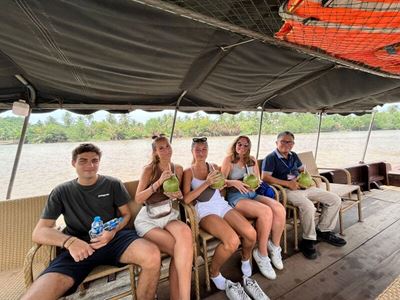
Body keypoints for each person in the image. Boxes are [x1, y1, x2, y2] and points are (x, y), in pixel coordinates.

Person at [22, 143, 160, 300]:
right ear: (73, 163)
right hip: (78, 247)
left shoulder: (113, 184)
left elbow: (126, 215)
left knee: (152, 256)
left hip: (115, 239)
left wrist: (113, 231)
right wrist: (70, 242)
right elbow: (40, 232)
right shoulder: (61, 191)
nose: (90, 165)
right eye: (83, 161)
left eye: (95, 160)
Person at [182, 137, 269, 300]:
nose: (201, 153)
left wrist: (222, 186)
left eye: (204, 149)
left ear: (207, 150)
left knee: (251, 234)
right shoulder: (189, 172)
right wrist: (207, 183)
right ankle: (214, 273)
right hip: (205, 210)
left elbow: (222, 186)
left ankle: (245, 258)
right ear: (192, 151)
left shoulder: (213, 167)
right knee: (232, 241)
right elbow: (186, 200)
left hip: (221, 204)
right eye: (198, 149)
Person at [261, 131, 346, 260]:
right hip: (285, 190)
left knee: (335, 199)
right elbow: (265, 177)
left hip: (302, 186)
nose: (286, 144)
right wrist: (288, 184)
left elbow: (302, 170)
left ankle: (323, 230)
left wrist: (307, 179)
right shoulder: (271, 158)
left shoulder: (293, 155)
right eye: (283, 141)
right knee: (308, 207)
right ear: (277, 143)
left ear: (293, 144)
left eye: (289, 142)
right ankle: (308, 240)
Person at [134, 134, 193, 300]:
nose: (166, 150)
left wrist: (178, 195)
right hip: (149, 218)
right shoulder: (149, 170)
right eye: (161, 148)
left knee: (186, 234)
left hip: (168, 213)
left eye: (167, 146)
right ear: (155, 153)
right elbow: (138, 199)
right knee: (181, 251)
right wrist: (158, 182)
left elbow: (177, 197)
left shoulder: (178, 169)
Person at [221, 135, 286, 280]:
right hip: (236, 197)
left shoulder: (252, 160)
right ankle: (262, 254)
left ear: (249, 147)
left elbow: (258, 179)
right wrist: (233, 182)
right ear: (235, 145)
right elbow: (220, 182)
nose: (242, 148)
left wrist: (256, 183)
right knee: (265, 211)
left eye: (245, 145)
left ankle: (274, 246)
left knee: (278, 208)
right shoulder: (229, 160)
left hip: (252, 194)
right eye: (239, 144)